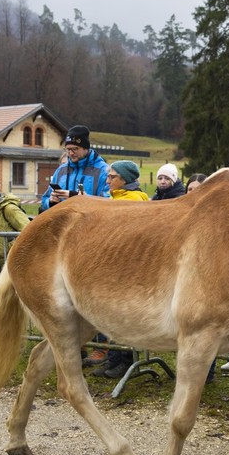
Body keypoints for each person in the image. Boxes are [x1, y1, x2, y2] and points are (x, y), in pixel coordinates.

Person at [93, 160, 150, 378]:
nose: (107, 181)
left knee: (126, 316)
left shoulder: (132, 200)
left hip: (127, 268)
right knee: (114, 315)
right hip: (115, 266)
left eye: (112, 177)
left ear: (124, 180)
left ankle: (126, 363)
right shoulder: (117, 198)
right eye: (108, 176)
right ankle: (115, 359)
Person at [40, 125, 111, 210]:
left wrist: (81, 198)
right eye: (68, 149)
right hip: (65, 221)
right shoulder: (61, 170)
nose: (71, 153)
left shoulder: (103, 171)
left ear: (86, 148)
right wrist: (51, 202)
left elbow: (109, 203)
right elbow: (44, 200)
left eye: (75, 149)